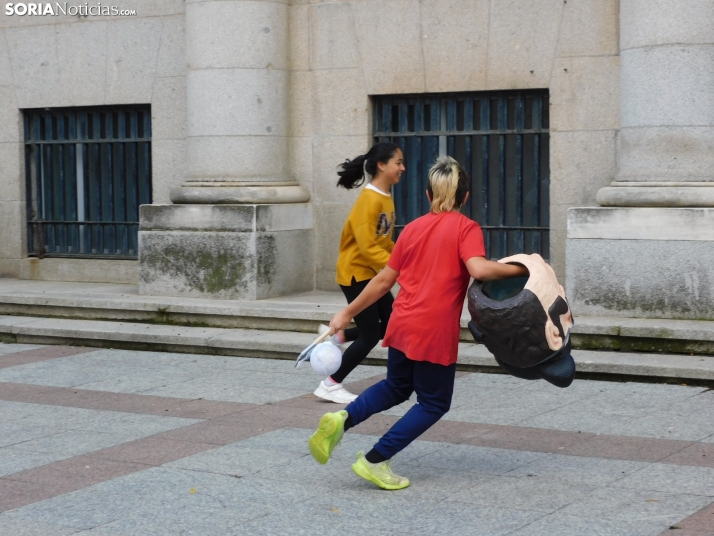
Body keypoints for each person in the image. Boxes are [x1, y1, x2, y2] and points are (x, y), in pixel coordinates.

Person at [308, 156, 529, 490]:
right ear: (465, 197)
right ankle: (375, 460)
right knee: (434, 403)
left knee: (397, 386)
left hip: (402, 321)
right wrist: (522, 268)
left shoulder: (411, 229)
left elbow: (383, 282)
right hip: (433, 329)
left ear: (427, 195)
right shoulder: (465, 228)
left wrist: (347, 312)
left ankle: (343, 418)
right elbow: (480, 270)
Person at [313, 142, 404, 404]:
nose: (402, 168)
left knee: (390, 324)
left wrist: (402, 258)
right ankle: (330, 384)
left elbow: (384, 241)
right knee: (370, 335)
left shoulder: (384, 196)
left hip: (370, 273)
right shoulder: (370, 198)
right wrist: (398, 267)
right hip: (356, 273)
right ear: (382, 165)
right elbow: (367, 247)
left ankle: (338, 336)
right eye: (397, 162)